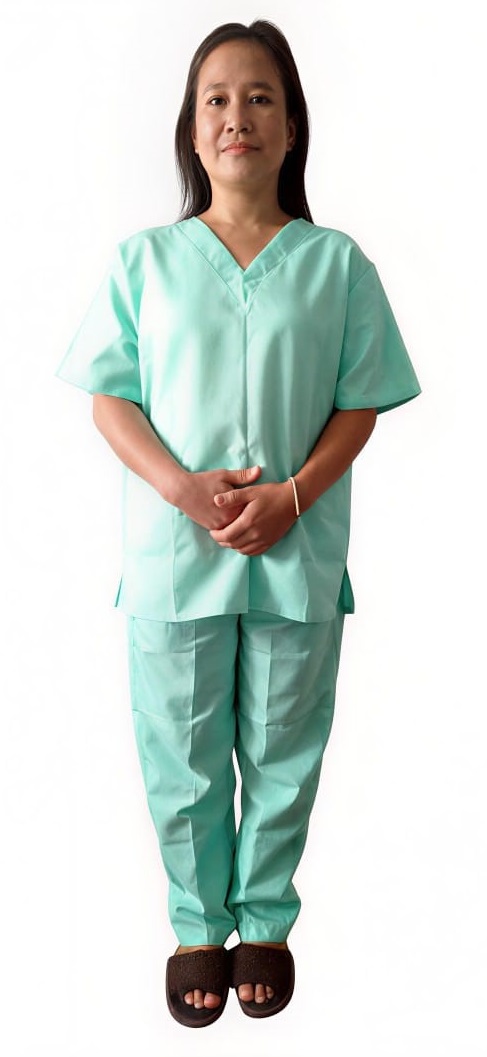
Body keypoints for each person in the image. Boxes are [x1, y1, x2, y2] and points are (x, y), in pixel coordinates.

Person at [54, 19, 421, 1028]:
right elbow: (110, 398)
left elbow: (360, 400)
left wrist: (293, 494)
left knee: (283, 743)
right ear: (190, 126)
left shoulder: (336, 264)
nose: (236, 116)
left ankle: (262, 921)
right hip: (175, 550)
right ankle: (194, 926)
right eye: (215, 98)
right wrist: (181, 488)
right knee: (178, 751)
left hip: (295, 545)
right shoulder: (144, 261)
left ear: (291, 125)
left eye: (259, 97)